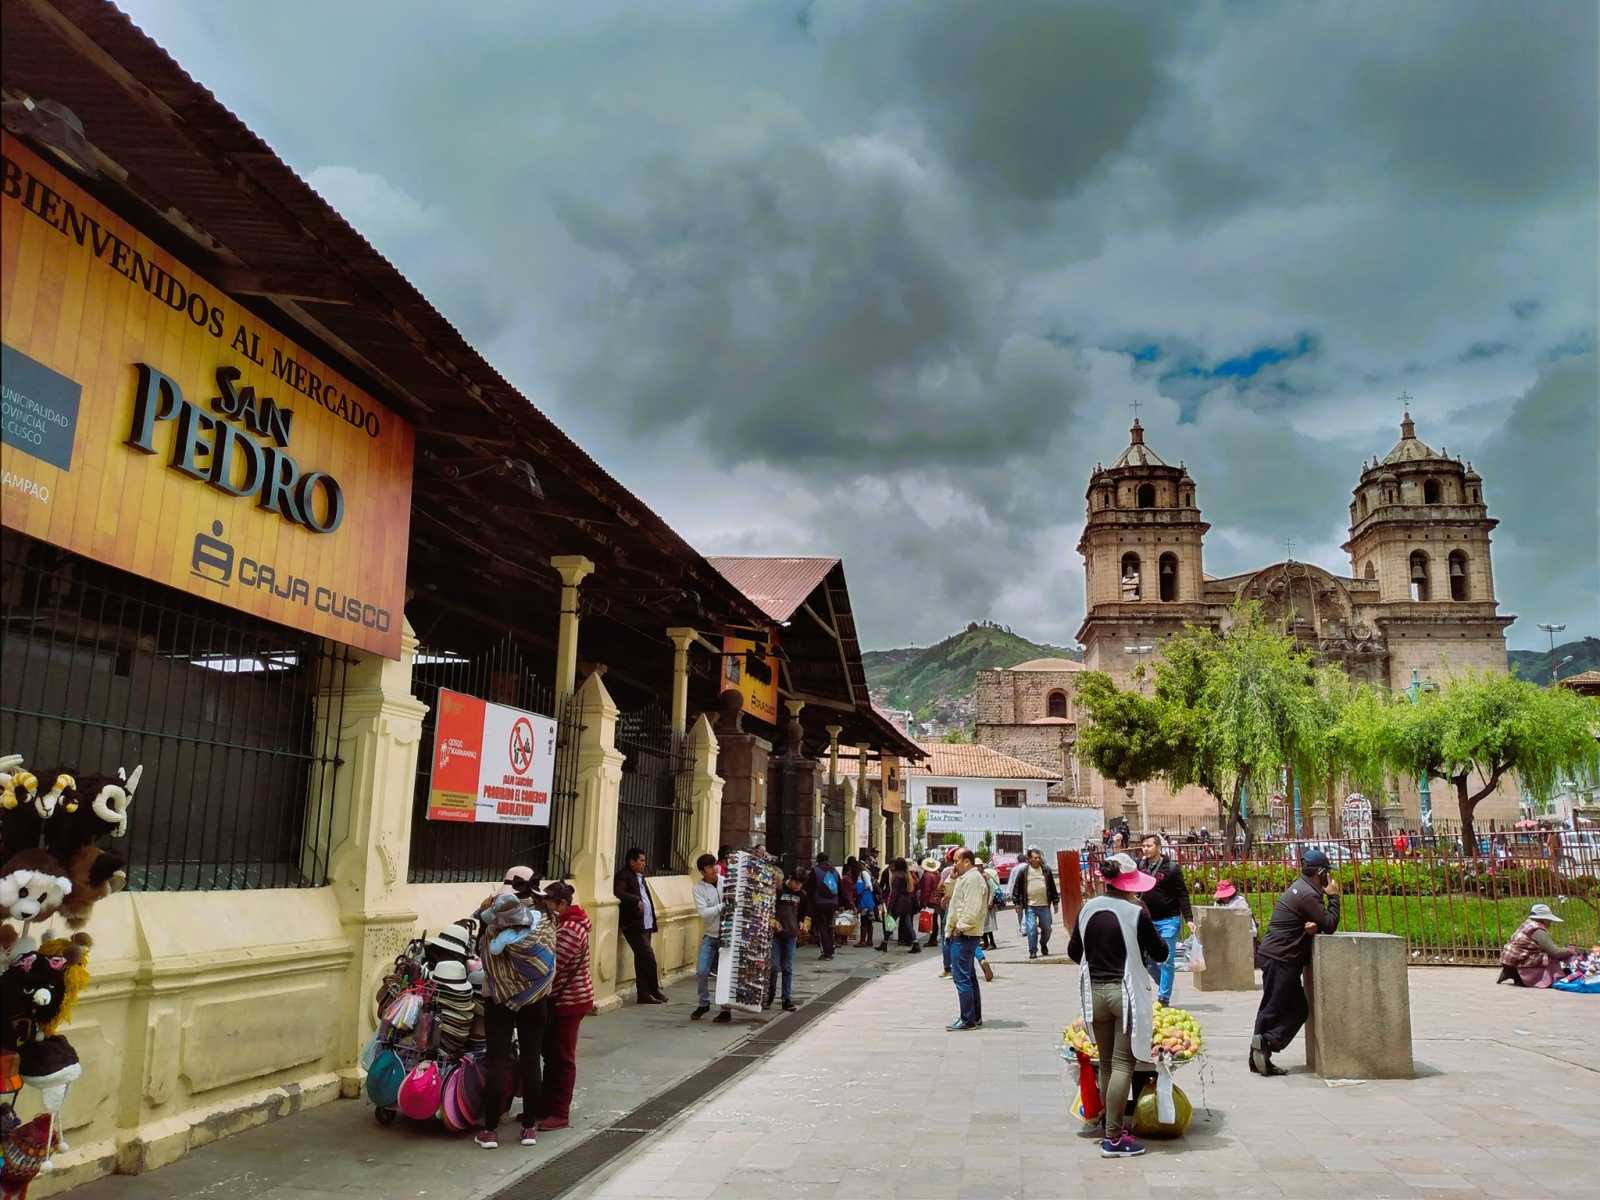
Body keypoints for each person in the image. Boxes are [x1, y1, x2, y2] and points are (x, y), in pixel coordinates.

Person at [1067, 852, 1167, 1159]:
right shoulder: (1136, 913)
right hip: (1124, 993)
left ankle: (1110, 1127)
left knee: (1107, 1063)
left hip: (1094, 993)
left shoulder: (1087, 908)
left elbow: (1074, 952)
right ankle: (1113, 1138)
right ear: (1129, 884)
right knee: (1124, 1064)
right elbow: (1161, 953)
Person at [475, 871, 558, 1149]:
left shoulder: (493, 921)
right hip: (535, 1000)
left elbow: (483, 953)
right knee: (531, 1060)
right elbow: (549, 960)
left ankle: (489, 1130)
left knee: (497, 1060)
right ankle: (529, 1128)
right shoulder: (546, 919)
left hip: (498, 999)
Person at [1251, 847, 1341, 1076]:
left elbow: (1316, 921)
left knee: (1281, 1007)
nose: (1329, 877)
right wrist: (1334, 897)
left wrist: (1314, 924)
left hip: (1278, 956)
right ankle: (1267, 1044)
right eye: (1327, 873)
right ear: (1320, 873)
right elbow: (1330, 925)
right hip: (1281, 957)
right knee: (1279, 1008)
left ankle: (1260, 1052)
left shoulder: (1301, 889)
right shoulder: (1308, 894)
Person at [533, 881, 591, 1132]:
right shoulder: (564, 924)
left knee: (562, 1057)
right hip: (562, 1000)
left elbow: (551, 967)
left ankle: (560, 1112)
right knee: (551, 1054)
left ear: (562, 904)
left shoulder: (570, 930)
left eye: (549, 904)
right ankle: (545, 1106)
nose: (546, 908)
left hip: (569, 1001)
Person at [1138, 834, 1193, 1006]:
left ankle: (1163, 997)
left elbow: (1182, 894)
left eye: (1149, 846)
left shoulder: (1171, 868)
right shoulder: (1141, 866)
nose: (1145, 849)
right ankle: (1164, 982)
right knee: (1147, 960)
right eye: (1143, 846)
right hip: (1147, 921)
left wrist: (1189, 918)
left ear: (1158, 847)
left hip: (1169, 920)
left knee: (1166, 959)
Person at [613, 848, 668, 1005]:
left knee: (641, 959)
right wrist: (635, 899)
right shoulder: (624, 876)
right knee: (648, 958)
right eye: (641, 860)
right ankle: (653, 989)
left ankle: (644, 993)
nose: (644, 863)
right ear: (632, 862)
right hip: (634, 925)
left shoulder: (641, 877)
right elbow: (618, 892)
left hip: (646, 923)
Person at [944, 849, 988, 1030]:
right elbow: (948, 893)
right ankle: (974, 1016)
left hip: (965, 935)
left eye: (957, 861)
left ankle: (967, 1018)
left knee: (961, 978)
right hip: (962, 933)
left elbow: (972, 909)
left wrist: (960, 928)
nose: (954, 864)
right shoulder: (965, 878)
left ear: (967, 861)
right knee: (968, 976)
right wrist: (952, 878)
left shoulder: (973, 880)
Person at [690, 853, 731, 1023]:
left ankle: (725, 1009)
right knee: (702, 971)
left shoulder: (726, 882)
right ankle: (704, 1002)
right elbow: (704, 913)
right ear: (702, 871)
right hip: (710, 934)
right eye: (709, 867)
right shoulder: (698, 889)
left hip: (727, 935)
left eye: (714, 865)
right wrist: (722, 906)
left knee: (724, 973)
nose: (714, 869)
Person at [1499, 902, 1577, 988]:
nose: (1550, 923)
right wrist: (1569, 951)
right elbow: (1555, 952)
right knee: (1551, 958)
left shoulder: (1527, 924)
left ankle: (1513, 972)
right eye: (1549, 920)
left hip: (1510, 959)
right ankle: (1546, 978)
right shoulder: (1537, 930)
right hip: (1519, 960)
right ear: (1543, 919)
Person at [1009, 847, 1059, 959]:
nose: (1038, 860)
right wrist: (1016, 903)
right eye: (1035, 858)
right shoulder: (1024, 872)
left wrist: (1055, 901)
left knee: (1047, 929)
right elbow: (1017, 888)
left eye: (1039, 857)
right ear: (1029, 859)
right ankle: (1033, 951)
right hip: (1030, 906)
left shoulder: (1046, 870)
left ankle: (1043, 943)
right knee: (1031, 929)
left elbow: (1052, 886)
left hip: (1044, 905)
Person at [770, 869, 804, 1010]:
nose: (798, 886)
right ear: (790, 879)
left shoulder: (801, 895)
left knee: (787, 967)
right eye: (797, 883)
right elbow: (770, 908)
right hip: (776, 934)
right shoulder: (779, 889)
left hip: (791, 934)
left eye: (801, 884)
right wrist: (773, 921)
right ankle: (769, 995)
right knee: (773, 966)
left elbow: (803, 913)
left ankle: (786, 998)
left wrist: (802, 922)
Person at [808, 853, 842, 960]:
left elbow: (810, 889)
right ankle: (831, 949)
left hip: (820, 903)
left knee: (822, 928)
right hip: (833, 903)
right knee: (830, 927)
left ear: (818, 860)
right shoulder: (835, 871)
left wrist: (810, 904)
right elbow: (840, 888)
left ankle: (826, 952)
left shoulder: (815, 871)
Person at [854, 861, 880, 949]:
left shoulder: (863, 874)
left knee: (864, 921)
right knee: (869, 922)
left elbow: (868, 886)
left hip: (865, 901)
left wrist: (862, 889)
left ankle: (862, 941)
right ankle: (869, 940)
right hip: (868, 901)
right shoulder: (866, 873)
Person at [918, 856, 943, 948]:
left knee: (932, 921)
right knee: (934, 920)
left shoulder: (927, 876)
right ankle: (933, 939)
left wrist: (924, 902)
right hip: (937, 899)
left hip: (930, 900)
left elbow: (926, 890)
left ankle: (932, 940)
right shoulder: (937, 874)